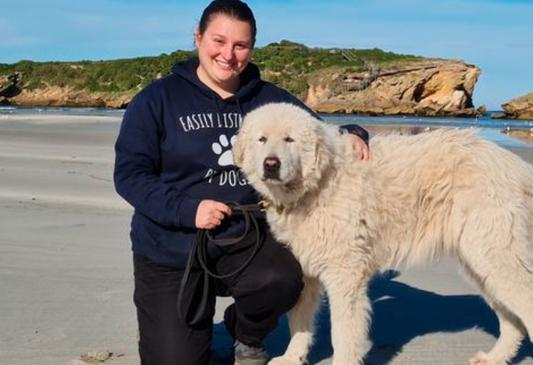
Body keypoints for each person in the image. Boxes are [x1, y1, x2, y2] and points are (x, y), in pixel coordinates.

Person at [113, 1, 369, 364]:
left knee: (285, 277)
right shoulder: (157, 100)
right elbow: (130, 175)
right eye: (219, 41)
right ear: (198, 37)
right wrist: (188, 209)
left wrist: (355, 132)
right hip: (170, 248)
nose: (228, 55)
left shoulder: (269, 98)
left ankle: (247, 334)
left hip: (245, 240)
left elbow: (319, 134)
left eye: (240, 45)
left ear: (251, 47)